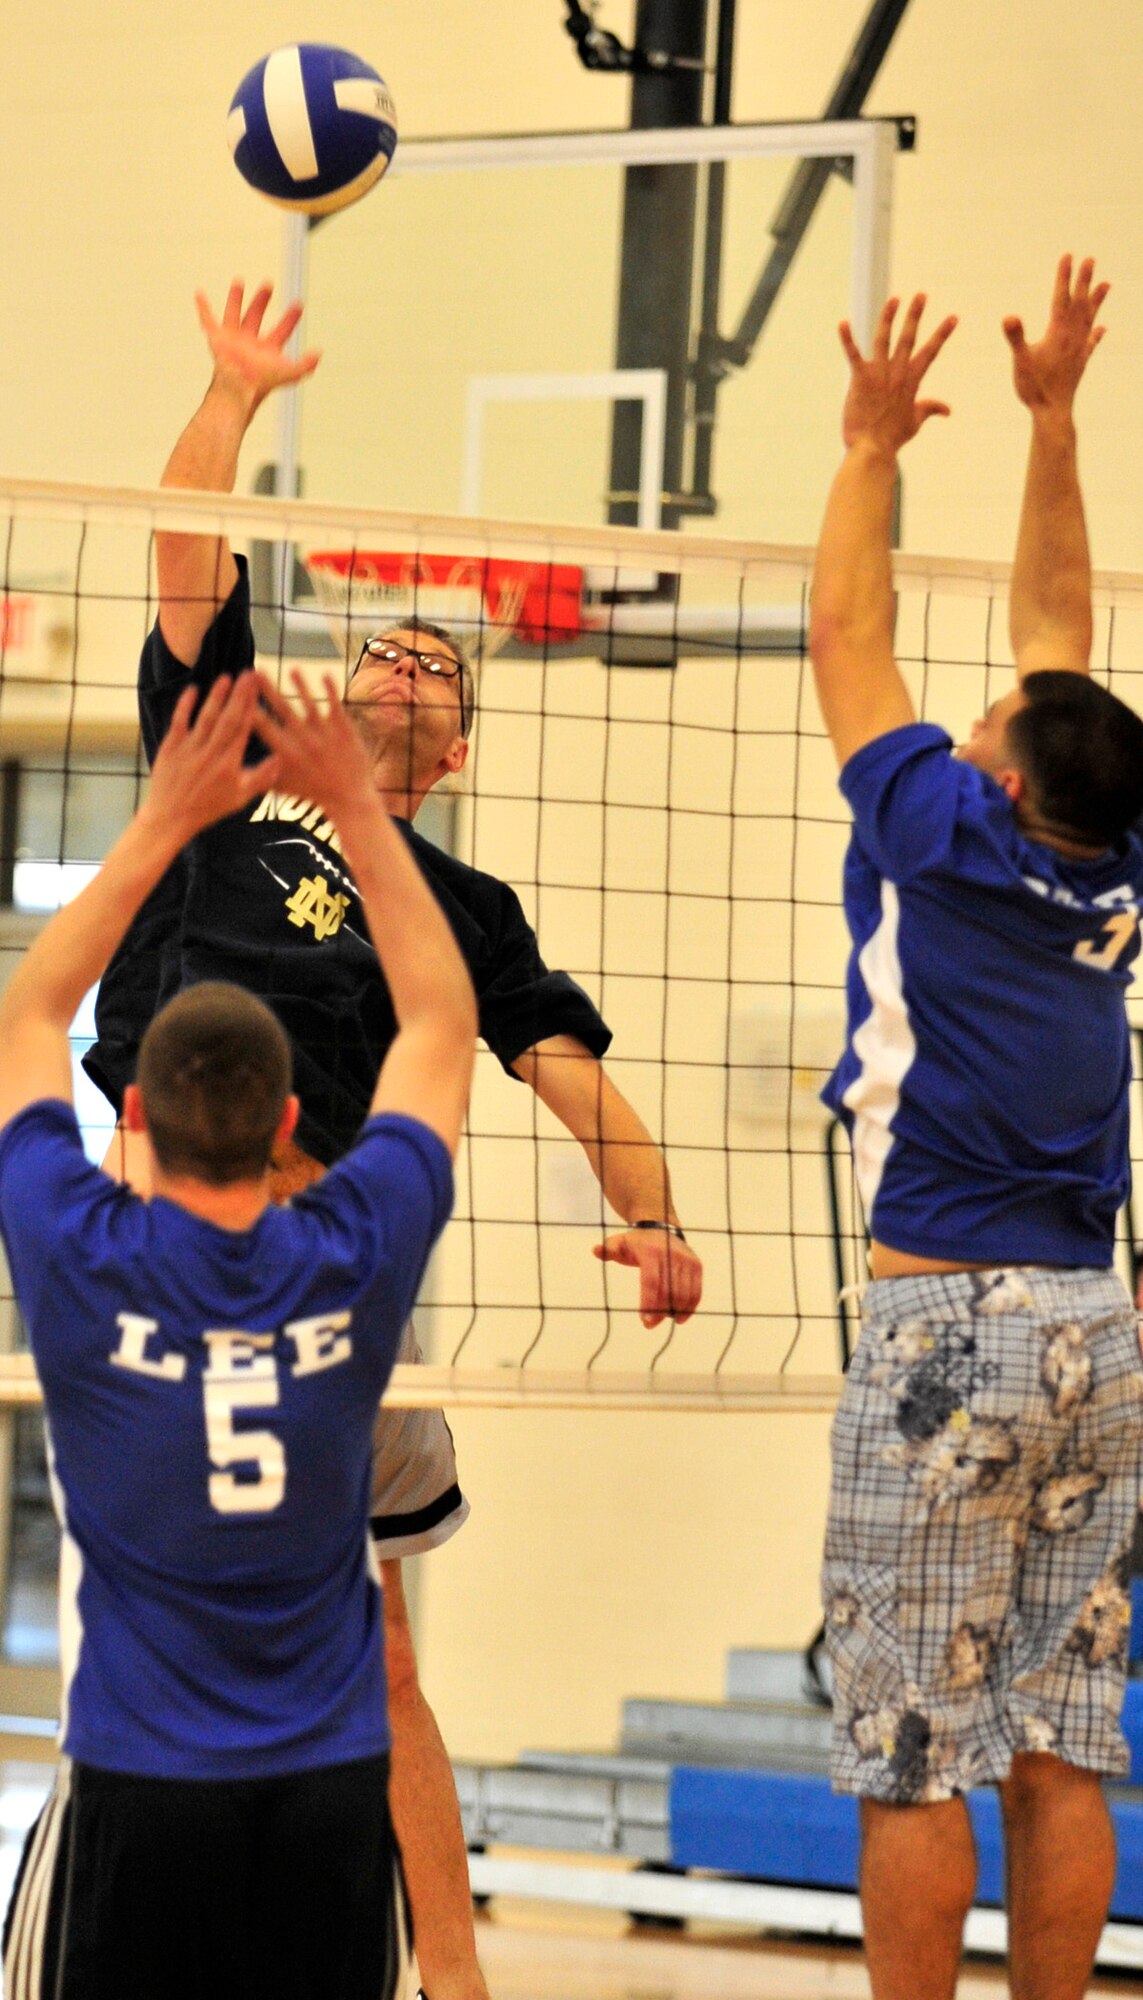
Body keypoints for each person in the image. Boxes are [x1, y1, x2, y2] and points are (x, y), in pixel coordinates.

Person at [81, 279, 704, 2000]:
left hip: (338, 1270)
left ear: (458, 745)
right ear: (335, 686)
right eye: (389, 649)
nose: (412, 662)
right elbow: (185, 551)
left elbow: (578, 1082)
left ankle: (457, 1978)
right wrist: (231, 392)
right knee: (145, 1622)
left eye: (444, 665)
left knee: (384, 1657)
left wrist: (658, 1218)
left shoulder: (467, 907)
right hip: (158, 1220)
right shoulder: (217, 771)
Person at [0, 665, 478, 1999]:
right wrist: (361, 813)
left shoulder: (79, 1264)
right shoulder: (357, 1262)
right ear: (290, 1124)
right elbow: (443, 1021)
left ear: (130, 1120)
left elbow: (29, 1014)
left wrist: (163, 819)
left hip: (143, 1792)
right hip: (328, 1801)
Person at [811, 256, 1143, 2000]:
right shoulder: (1114, 852)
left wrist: (870, 448)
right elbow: (1062, 645)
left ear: (997, 781)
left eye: (990, 724)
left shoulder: (940, 833)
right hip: (1100, 1326)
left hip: (949, 1320)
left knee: (910, 1747)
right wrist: (1053, 422)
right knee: (1065, 1739)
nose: (982, 707)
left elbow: (846, 643)